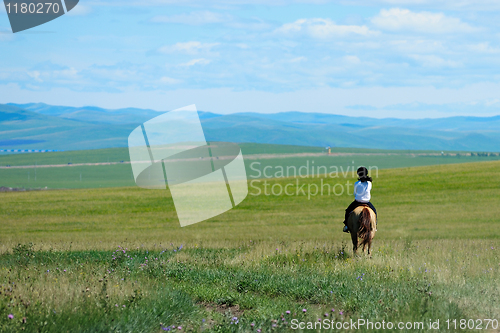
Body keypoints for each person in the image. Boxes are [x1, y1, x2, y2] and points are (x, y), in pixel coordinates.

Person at [343, 166, 377, 232]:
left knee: (347, 211)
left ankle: (346, 225)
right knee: (374, 211)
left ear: (358, 174)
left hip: (357, 201)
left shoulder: (356, 183)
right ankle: (375, 225)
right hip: (367, 201)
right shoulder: (369, 183)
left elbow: (355, 193)